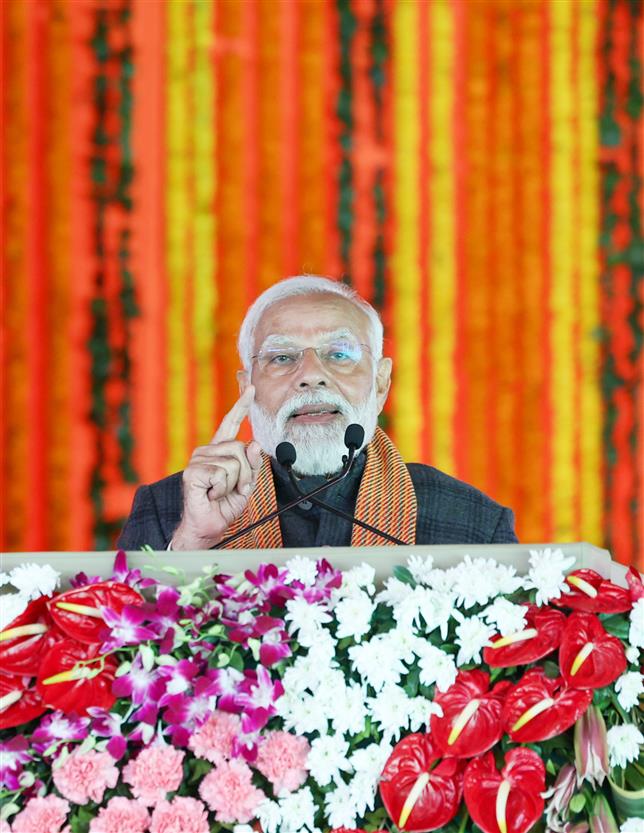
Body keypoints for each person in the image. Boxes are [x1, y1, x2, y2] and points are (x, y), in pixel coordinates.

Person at [117, 276, 517, 550]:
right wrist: (194, 543)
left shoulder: (471, 522)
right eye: (282, 357)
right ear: (246, 389)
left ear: (380, 384)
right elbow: (124, 660)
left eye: (339, 354)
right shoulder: (169, 508)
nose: (310, 376)